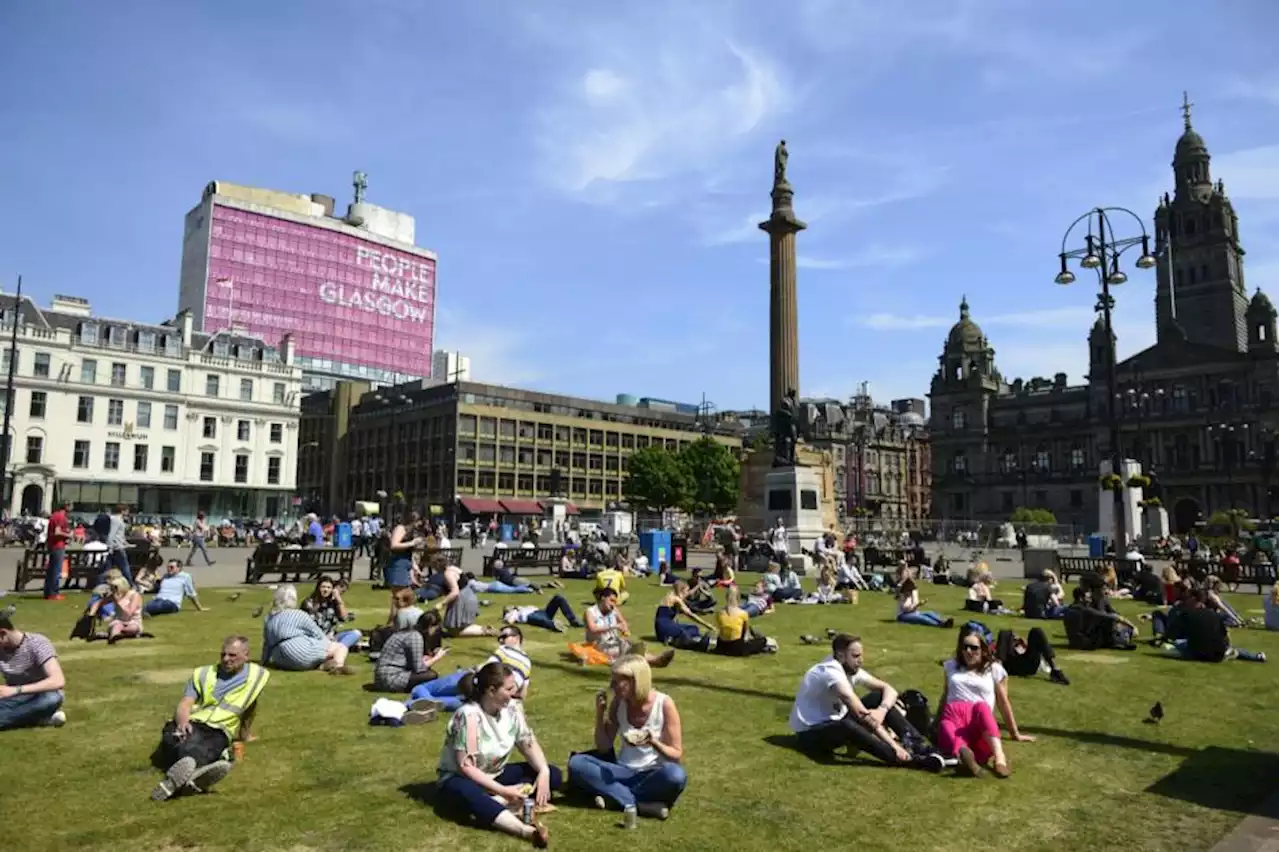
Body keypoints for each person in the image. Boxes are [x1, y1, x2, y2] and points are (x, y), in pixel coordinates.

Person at [435, 662, 556, 847]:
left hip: (494, 774)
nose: (514, 692)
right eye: (508, 688)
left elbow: (527, 743)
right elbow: (466, 767)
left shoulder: (513, 709)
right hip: (461, 778)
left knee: (553, 775)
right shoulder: (469, 716)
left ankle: (496, 802)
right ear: (491, 691)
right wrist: (504, 791)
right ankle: (525, 831)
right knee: (468, 793)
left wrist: (544, 771)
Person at [788, 633, 943, 771]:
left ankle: (918, 745)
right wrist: (893, 745)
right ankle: (905, 759)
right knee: (847, 726)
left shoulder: (849, 669)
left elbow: (889, 689)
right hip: (809, 734)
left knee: (876, 697)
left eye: (861, 655)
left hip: (835, 720)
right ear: (841, 656)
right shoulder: (831, 673)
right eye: (855, 656)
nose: (861, 661)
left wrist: (882, 710)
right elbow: (861, 713)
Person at [568, 655, 688, 822]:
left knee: (676, 775)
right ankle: (641, 805)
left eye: (617, 682)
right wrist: (599, 713)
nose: (612, 686)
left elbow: (676, 754)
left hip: (653, 773)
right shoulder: (619, 703)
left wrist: (653, 742)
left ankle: (614, 796)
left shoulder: (664, 704)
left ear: (635, 681)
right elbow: (604, 746)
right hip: (623, 770)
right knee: (577, 763)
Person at [151, 635, 269, 801]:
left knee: (202, 745)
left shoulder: (256, 676)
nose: (226, 659)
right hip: (191, 722)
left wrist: (244, 734)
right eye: (223, 655)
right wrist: (182, 722)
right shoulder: (203, 673)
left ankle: (177, 777)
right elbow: (186, 702)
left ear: (246, 655)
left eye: (232, 655)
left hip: (218, 729)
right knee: (174, 738)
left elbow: (250, 706)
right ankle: (191, 777)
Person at [936, 625, 1035, 778]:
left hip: (979, 720)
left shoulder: (993, 669)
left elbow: (1003, 702)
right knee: (944, 725)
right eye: (965, 647)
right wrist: (935, 721)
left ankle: (999, 758)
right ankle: (967, 758)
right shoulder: (951, 666)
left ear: (983, 650)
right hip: (953, 717)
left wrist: (1015, 733)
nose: (968, 651)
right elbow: (945, 694)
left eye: (973, 648)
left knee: (982, 707)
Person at [407, 625, 532, 717]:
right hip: (483, 701)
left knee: (419, 689)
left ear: (517, 638)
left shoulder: (504, 650)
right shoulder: (528, 663)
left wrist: (469, 670)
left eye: (504, 637)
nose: (501, 641)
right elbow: (522, 695)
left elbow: (486, 667)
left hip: (473, 681)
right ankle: (424, 707)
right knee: (449, 701)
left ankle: (412, 706)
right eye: (499, 638)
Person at [568, 587, 674, 668]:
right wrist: (614, 626)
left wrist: (625, 629)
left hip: (614, 641)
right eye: (611, 600)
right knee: (627, 650)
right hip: (599, 644)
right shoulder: (590, 612)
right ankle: (657, 661)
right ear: (603, 598)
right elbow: (592, 629)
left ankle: (655, 660)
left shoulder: (614, 610)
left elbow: (623, 622)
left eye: (615, 601)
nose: (613, 604)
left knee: (628, 646)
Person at [261, 584, 354, 674]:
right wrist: (329, 644)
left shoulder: (269, 618)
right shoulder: (298, 614)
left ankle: (322, 665)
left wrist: (264, 661)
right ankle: (337, 666)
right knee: (340, 647)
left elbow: (267, 643)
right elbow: (318, 634)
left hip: (279, 658)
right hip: (301, 653)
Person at [1161, 589, 1266, 663]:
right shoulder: (1214, 614)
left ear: (1193, 600)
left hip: (1198, 652)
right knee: (1231, 649)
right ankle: (1256, 656)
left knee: (1179, 643)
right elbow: (1225, 634)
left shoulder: (1186, 614)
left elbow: (1172, 635)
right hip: (1219, 652)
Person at [0, 614, 66, 729]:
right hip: (14, 699)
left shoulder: (37, 643)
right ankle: (37, 718)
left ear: (2, 634)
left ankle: (20, 717)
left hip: (40, 695)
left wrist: (16, 690)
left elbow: (58, 680)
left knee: (52, 699)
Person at [374, 611, 449, 692]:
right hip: (390, 678)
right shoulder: (415, 636)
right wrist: (437, 657)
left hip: (382, 677)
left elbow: (409, 661)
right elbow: (419, 669)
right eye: (437, 628)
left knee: (428, 673)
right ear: (430, 626)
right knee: (431, 675)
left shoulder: (408, 632)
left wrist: (425, 659)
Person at [713, 586, 776, 656]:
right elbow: (746, 635)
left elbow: (720, 631)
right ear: (738, 598)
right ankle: (764, 642)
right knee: (761, 641)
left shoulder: (719, 613)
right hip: (737, 649)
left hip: (721, 647)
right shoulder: (743, 613)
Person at [302, 575, 361, 649]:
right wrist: (325, 638)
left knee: (356, 633)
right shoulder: (309, 603)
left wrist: (339, 599)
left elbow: (344, 618)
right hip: (314, 638)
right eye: (323, 587)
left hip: (330, 637)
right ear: (318, 588)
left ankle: (337, 648)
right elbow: (310, 627)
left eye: (328, 587)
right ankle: (338, 649)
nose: (325, 590)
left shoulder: (333, 602)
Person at [994, 628, 1070, 685]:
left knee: (1036, 631)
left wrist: (1023, 643)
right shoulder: (1003, 644)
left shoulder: (1020, 644)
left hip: (1028, 663)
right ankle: (998, 669)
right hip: (1010, 665)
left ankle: (1055, 670)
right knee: (1005, 633)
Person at [655, 582, 716, 651]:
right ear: (681, 591)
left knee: (693, 628)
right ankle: (674, 640)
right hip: (665, 626)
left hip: (660, 629)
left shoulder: (668, 596)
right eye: (686, 591)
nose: (687, 593)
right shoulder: (676, 600)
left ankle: (671, 638)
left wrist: (697, 586)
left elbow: (667, 615)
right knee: (690, 631)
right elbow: (690, 615)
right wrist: (707, 625)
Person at [383, 511, 424, 590]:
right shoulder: (400, 528)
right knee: (401, 593)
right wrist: (412, 543)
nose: (420, 525)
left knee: (408, 594)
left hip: (407, 563)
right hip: (398, 563)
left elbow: (408, 551)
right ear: (414, 520)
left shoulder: (411, 532)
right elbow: (394, 545)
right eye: (419, 522)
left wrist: (414, 565)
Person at [501, 595, 583, 633]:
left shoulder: (522, 607)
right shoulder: (512, 613)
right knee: (542, 621)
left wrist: (518, 607)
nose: (509, 606)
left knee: (558, 598)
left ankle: (573, 620)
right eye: (507, 607)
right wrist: (514, 611)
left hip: (542, 612)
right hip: (531, 617)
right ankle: (555, 626)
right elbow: (510, 621)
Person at [43, 501, 71, 601]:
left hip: (52, 545)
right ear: (66, 506)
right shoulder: (61, 517)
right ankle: (53, 593)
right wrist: (70, 535)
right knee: (56, 570)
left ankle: (48, 592)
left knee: (51, 570)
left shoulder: (54, 515)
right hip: (58, 545)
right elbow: (57, 532)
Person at [105, 504, 134, 585]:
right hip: (117, 548)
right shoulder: (116, 520)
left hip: (118, 546)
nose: (128, 513)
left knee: (109, 567)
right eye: (127, 511)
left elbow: (120, 535)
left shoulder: (119, 520)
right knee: (125, 567)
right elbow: (112, 534)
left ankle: (105, 583)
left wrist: (127, 544)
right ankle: (130, 584)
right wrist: (110, 546)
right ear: (123, 511)